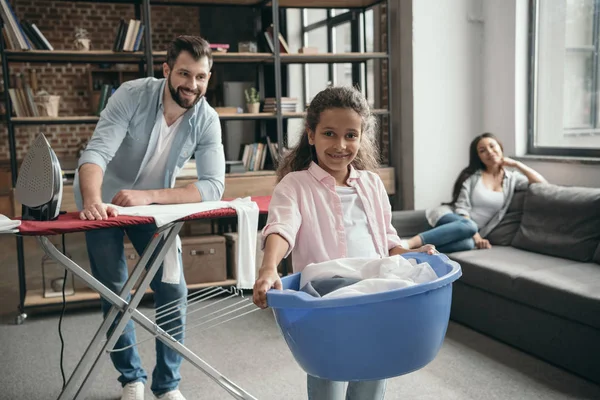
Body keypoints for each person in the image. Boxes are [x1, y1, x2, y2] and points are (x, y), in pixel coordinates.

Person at [252, 86, 434, 400]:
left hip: (376, 295)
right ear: (311, 135)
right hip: (327, 301)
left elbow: (387, 242)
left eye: (351, 135)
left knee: (371, 379)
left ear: (361, 137)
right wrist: (269, 269)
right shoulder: (295, 185)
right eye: (329, 134)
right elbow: (281, 228)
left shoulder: (372, 184)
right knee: (327, 379)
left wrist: (412, 254)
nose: (340, 145)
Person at [74, 35, 225, 400]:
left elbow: (212, 187)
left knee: (173, 290)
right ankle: (131, 379)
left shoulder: (207, 119)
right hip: (104, 202)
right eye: (185, 74)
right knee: (116, 291)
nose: (192, 85)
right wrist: (94, 200)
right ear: (166, 69)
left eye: (201, 77)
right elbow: (96, 153)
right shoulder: (131, 94)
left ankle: (167, 386)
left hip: (153, 209)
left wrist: (148, 197)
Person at [401, 132, 546, 253]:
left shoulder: (512, 179)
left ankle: (413, 252)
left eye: (492, 146)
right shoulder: (472, 177)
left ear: (500, 147)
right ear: (479, 157)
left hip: (468, 232)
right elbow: (461, 209)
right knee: (470, 226)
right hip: (450, 217)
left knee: (467, 245)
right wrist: (477, 236)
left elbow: (542, 184)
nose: (489, 152)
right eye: (482, 150)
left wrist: (517, 164)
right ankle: (409, 243)